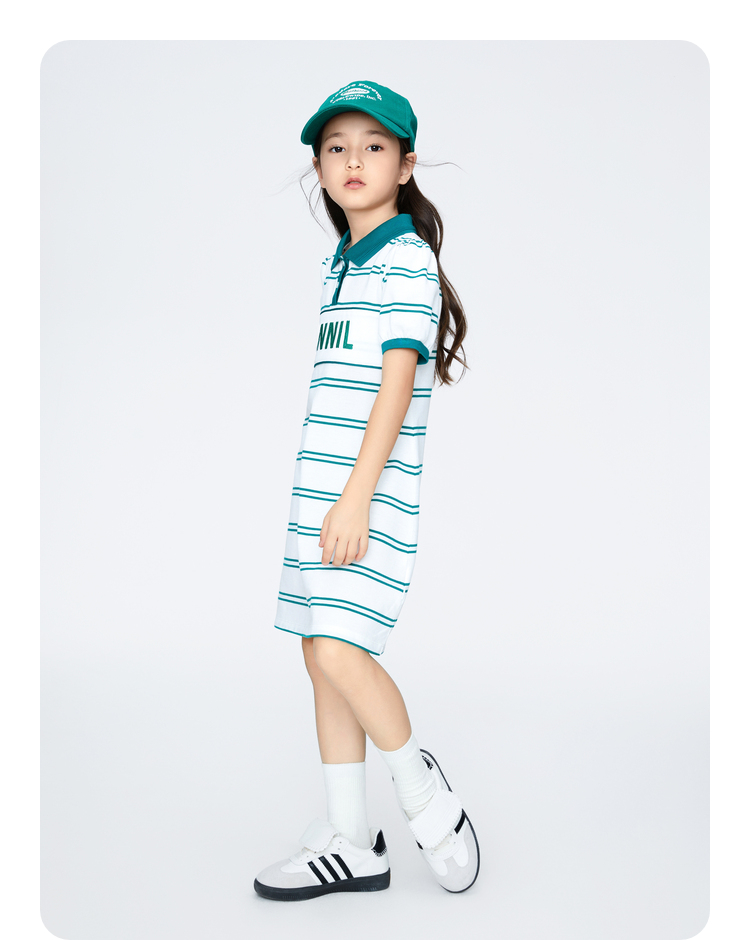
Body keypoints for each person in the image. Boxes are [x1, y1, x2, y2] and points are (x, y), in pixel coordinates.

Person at [253, 80, 478, 901]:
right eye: (337, 147)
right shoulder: (339, 263)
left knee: (344, 650)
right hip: (320, 492)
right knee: (320, 653)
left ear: (406, 166)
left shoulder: (407, 259)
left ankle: (426, 800)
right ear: (318, 166)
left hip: (363, 496)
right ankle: (351, 840)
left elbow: (395, 386)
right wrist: (325, 497)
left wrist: (355, 498)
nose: (354, 159)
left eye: (374, 146)